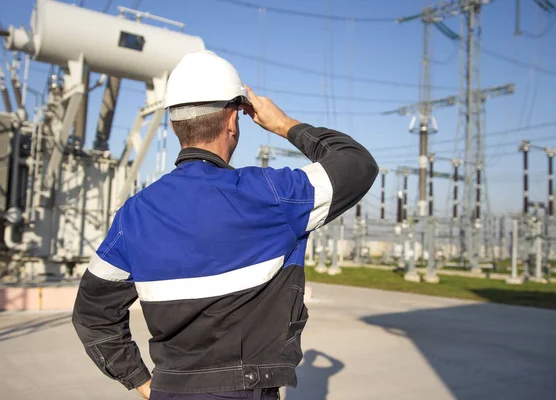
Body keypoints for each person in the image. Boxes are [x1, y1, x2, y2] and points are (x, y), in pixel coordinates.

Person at [72, 50, 378, 400]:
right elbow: (356, 164)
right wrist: (283, 124)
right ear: (233, 122)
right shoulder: (272, 196)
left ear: (173, 125)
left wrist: (139, 378)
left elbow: (91, 313)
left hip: (170, 391)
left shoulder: (134, 215)